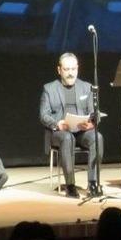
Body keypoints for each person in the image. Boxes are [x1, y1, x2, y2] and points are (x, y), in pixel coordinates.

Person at [39, 52, 104, 198]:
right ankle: (70, 185)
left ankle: (93, 182)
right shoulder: (49, 88)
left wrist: (92, 123)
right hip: (59, 133)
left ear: (78, 68)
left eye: (73, 69)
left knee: (97, 138)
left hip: (81, 131)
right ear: (59, 70)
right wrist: (57, 124)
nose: (70, 73)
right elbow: (43, 115)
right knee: (67, 138)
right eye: (67, 69)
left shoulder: (86, 87)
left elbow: (95, 112)